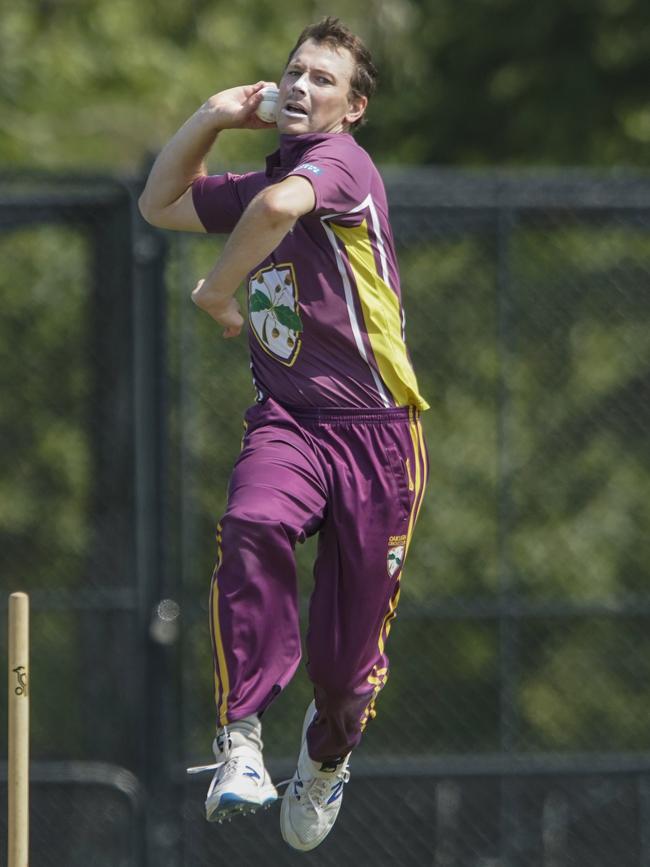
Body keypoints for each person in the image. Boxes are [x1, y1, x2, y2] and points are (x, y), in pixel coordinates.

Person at [139, 16, 429, 852]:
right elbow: (158, 202)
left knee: (345, 677)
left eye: (323, 79)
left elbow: (276, 208)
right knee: (252, 522)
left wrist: (215, 292)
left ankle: (326, 758)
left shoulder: (342, 165)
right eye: (294, 73)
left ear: (354, 106)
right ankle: (240, 739)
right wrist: (212, 113)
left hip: (379, 439)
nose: (301, 87)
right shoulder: (266, 169)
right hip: (291, 423)